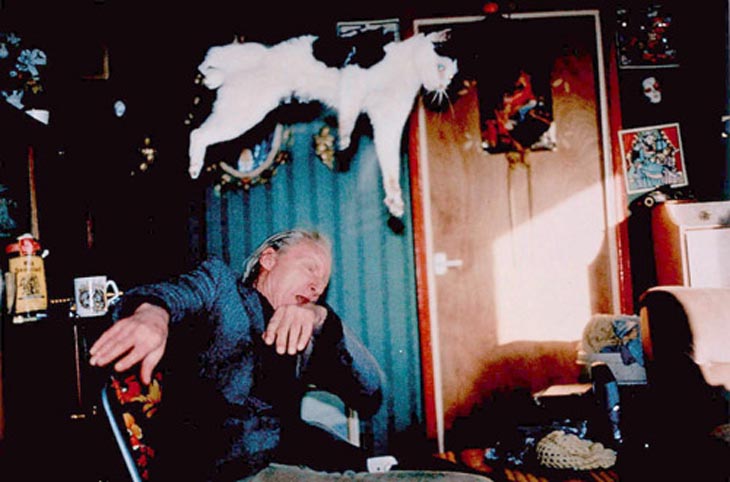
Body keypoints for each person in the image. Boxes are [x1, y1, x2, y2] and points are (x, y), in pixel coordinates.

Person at [89, 228, 490, 482]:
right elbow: (171, 295)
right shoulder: (222, 289)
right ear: (268, 259)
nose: (316, 286)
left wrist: (321, 318)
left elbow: (370, 392)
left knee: (457, 473)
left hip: (289, 457)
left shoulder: (304, 331)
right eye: (309, 268)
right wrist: (152, 316)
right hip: (228, 470)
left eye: (323, 284)